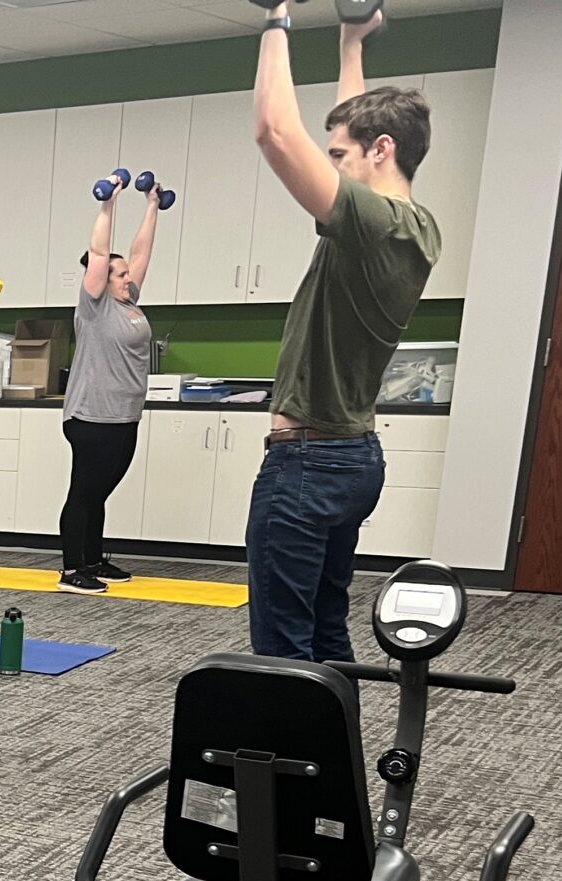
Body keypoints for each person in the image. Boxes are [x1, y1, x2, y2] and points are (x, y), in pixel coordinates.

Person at [248, 5, 438, 661]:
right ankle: (334, 762)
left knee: (282, 644)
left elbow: (274, 132)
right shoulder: (415, 225)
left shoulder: (372, 222)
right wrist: (351, 46)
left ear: (381, 151)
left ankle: (292, 761)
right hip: (352, 458)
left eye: (338, 156)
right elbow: (353, 130)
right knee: (325, 631)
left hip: (307, 463)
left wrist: (276, 21)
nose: (328, 167)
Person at [58, 175, 163, 594]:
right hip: (91, 417)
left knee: (100, 491)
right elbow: (101, 252)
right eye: (117, 274)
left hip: (123, 416)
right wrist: (109, 204)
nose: (125, 277)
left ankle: (93, 558)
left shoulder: (129, 301)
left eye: (123, 274)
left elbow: (140, 252)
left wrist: (151, 205)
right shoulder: (95, 306)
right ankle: (71, 569)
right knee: (84, 491)